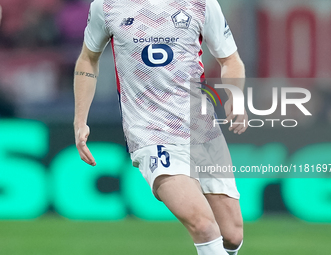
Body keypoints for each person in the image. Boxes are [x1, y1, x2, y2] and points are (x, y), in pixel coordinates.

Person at [73, 0, 248, 254]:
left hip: (201, 129)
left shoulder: (202, 4)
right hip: (149, 133)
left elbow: (230, 59)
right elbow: (88, 59)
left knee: (231, 235)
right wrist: (80, 121)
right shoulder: (107, 6)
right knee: (202, 224)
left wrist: (236, 97)